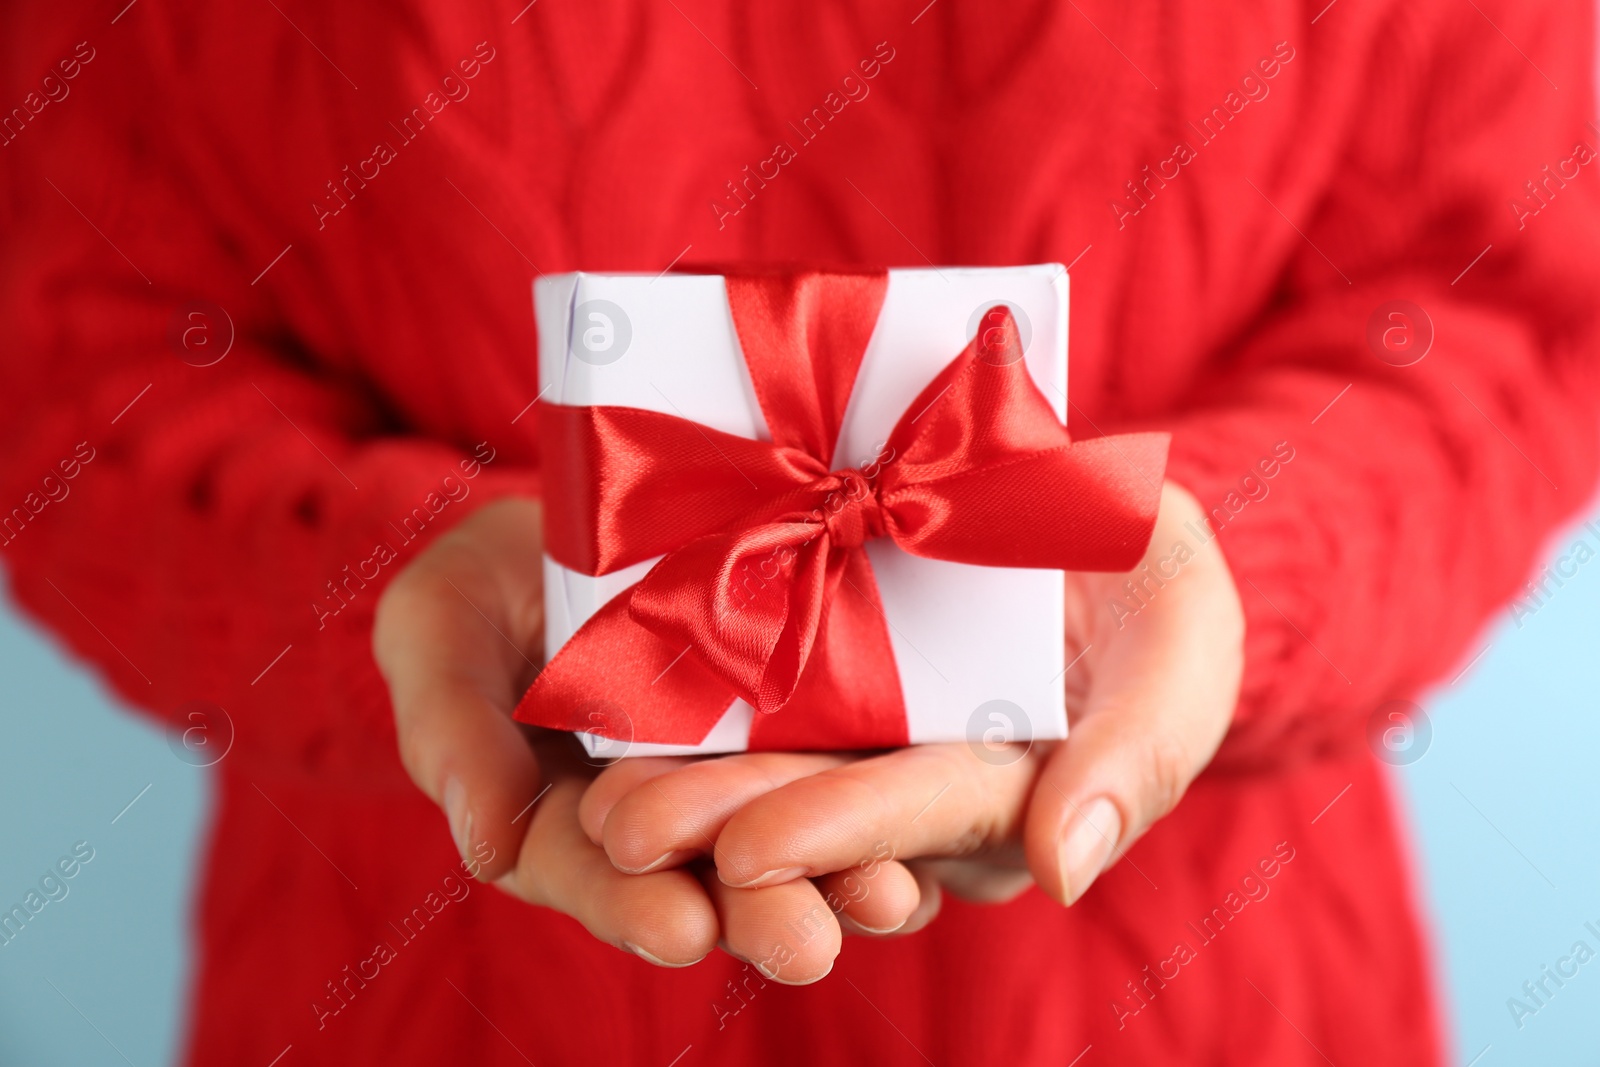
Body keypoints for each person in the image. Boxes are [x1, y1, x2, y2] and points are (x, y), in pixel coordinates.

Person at [2, 1, 1597, 1063]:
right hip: (430, 975)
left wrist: (1223, 562)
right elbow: (60, 349)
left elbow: (1506, 288)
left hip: (1212, 994)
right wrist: (393, 573)